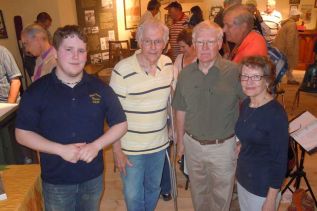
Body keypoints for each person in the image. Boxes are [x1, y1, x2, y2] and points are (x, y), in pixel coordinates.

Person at [15, 25, 128, 211]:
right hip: (56, 181)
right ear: (56, 53)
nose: (76, 56)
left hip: (93, 176)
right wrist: (60, 149)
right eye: (69, 50)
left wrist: (96, 146)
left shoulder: (100, 88)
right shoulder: (36, 91)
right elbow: (22, 133)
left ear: (86, 54)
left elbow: (121, 124)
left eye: (81, 50)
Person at [172, 20, 245, 211]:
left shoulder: (234, 72)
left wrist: (245, 138)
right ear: (194, 44)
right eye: (200, 42)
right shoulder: (185, 74)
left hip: (223, 147)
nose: (204, 47)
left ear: (219, 44)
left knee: (221, 197)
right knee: (198, 193)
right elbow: (180, 108)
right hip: (193, 145)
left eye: (210, 42)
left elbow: (251, 104)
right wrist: (180, 141)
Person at [109, 19, 173, 211]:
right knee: (133, 194)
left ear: (165, 43)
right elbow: (112, 114)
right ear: (139, 41)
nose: (153, 47)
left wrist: (172, 128)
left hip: (159, 144)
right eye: (148, 41)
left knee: (154, 188)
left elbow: (173, 100)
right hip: (130, 148)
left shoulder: (168, 64)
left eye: (158, 41)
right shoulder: (122, 70)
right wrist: (116, 150)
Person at [235, 56, 289, 210]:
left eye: (256, 77)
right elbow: (249, 131)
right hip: (244, 178)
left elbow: (280, 161)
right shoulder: (246, 104)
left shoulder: (276, 115)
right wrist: (241, 143)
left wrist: (271, 199)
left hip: (262, 187)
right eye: (244, 76)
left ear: (267, 81)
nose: (248, 81)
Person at [273, 8, 301, 85]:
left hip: (280, 47)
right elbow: (290, 39)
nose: (299, 17)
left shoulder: (287, 23)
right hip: (285, 48)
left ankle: (289, 78)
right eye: (298, 16)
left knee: (282, 65)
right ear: (294, 16)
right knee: (286, 64)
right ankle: (280, 80)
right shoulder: (292, 24)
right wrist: (290, 51)